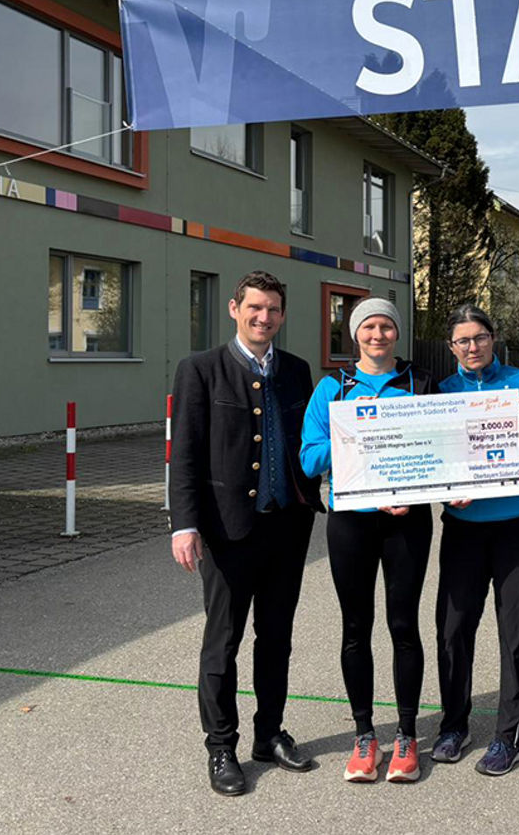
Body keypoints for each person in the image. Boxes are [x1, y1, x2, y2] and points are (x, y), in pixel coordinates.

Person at [169, 270, 324, 797]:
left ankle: (268, 734)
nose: (264, 317)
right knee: (223, 641)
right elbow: (184, 455)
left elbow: (315, 443)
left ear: (283, 315)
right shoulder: (200, 371)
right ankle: (221, 746)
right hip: (227, 530)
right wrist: (184, 525)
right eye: (254, 307)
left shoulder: (299, 371)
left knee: (276, 639)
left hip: (288, 526)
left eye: (273, 309)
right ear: (234, 308)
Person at [300, 297, 435, 784]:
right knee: (355, 626)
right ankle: (363, 734)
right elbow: (310, 457)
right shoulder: (333, 388)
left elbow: (441, 447)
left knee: (404, 625)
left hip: (407, 520)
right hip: (352, 522)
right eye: (368, 327)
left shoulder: (421, 384)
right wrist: (360, 440)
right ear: (354, 334)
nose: (378, 335)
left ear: (397, 333)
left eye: (387, 327)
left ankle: (406, 734)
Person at [430, 305, 519, 776]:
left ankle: (509, 737)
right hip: (464, 527)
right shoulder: (442, 393)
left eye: (480, 337)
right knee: (453, 627)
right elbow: (430, 460)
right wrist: (444, 490)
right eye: (463, 341)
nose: (472, 347)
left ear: (493, 339)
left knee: (516, 629)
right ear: (452, 348)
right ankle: (453, 725)